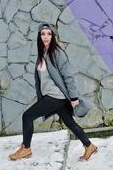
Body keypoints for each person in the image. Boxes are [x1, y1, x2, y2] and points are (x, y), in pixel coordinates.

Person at [8, 23, 98, 161]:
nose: (46, 37)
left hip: (56, 96)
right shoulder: (42, 53)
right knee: (70, 123)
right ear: (39, 36)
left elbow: (68, 75)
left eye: (49, 34)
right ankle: (89, 146)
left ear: (53, 36)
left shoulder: (57, 53)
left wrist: (73, 97)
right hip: (52, 96)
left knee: (27, 116)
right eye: (43, 34)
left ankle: (26, 148)